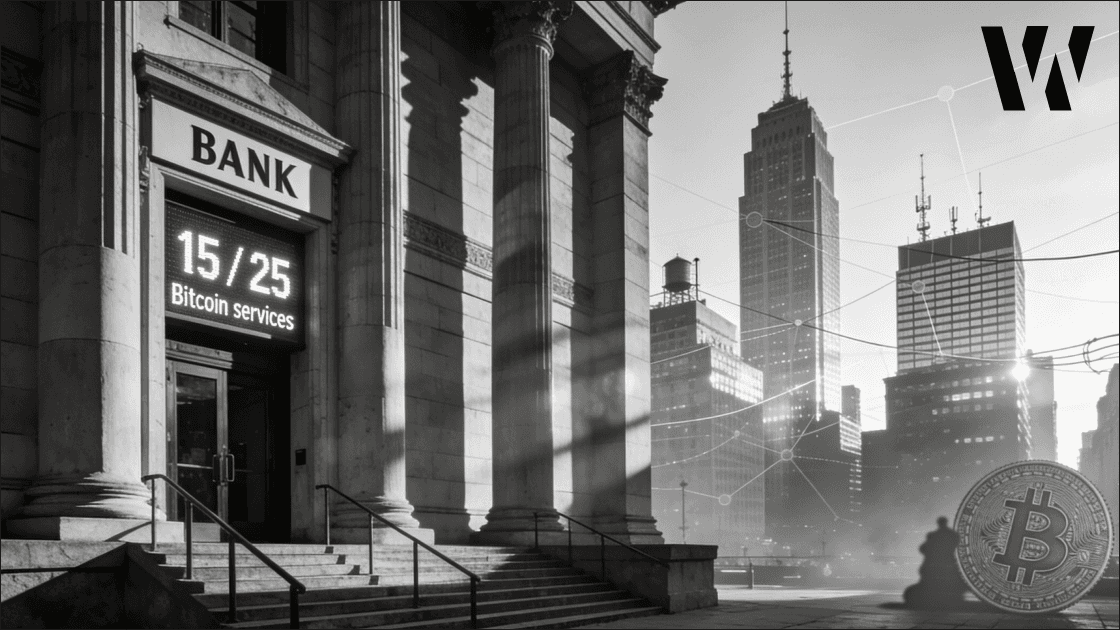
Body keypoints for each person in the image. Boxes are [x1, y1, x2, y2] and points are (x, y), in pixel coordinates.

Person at [902, 516, 968, 609]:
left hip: (938, 562)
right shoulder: (952, 535)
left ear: (939, 523)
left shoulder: (934, 535)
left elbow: (923, 548)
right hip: (947, 561)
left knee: (928, 573)